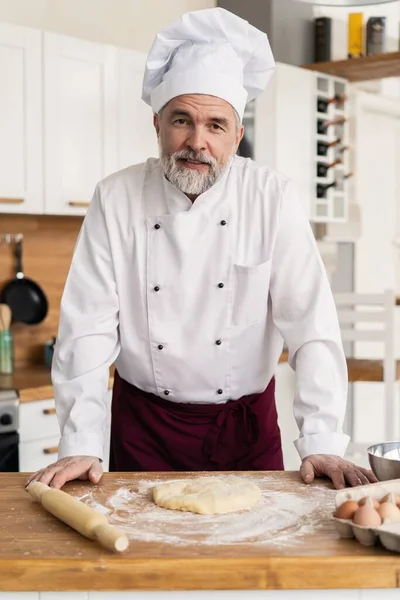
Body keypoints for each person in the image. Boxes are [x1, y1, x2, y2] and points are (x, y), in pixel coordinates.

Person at [25, 7, 377, 492]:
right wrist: (81, 440)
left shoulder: (271, 198)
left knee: (256, 560)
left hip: (245, 430)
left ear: (237, 135)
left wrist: (322, 438)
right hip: (143, 429)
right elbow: (87, 329)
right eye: (182, 120)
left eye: (215, 125)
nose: (197, 142)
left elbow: (311, 326)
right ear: (156, 123)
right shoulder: (117, 197)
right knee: (142, 560)